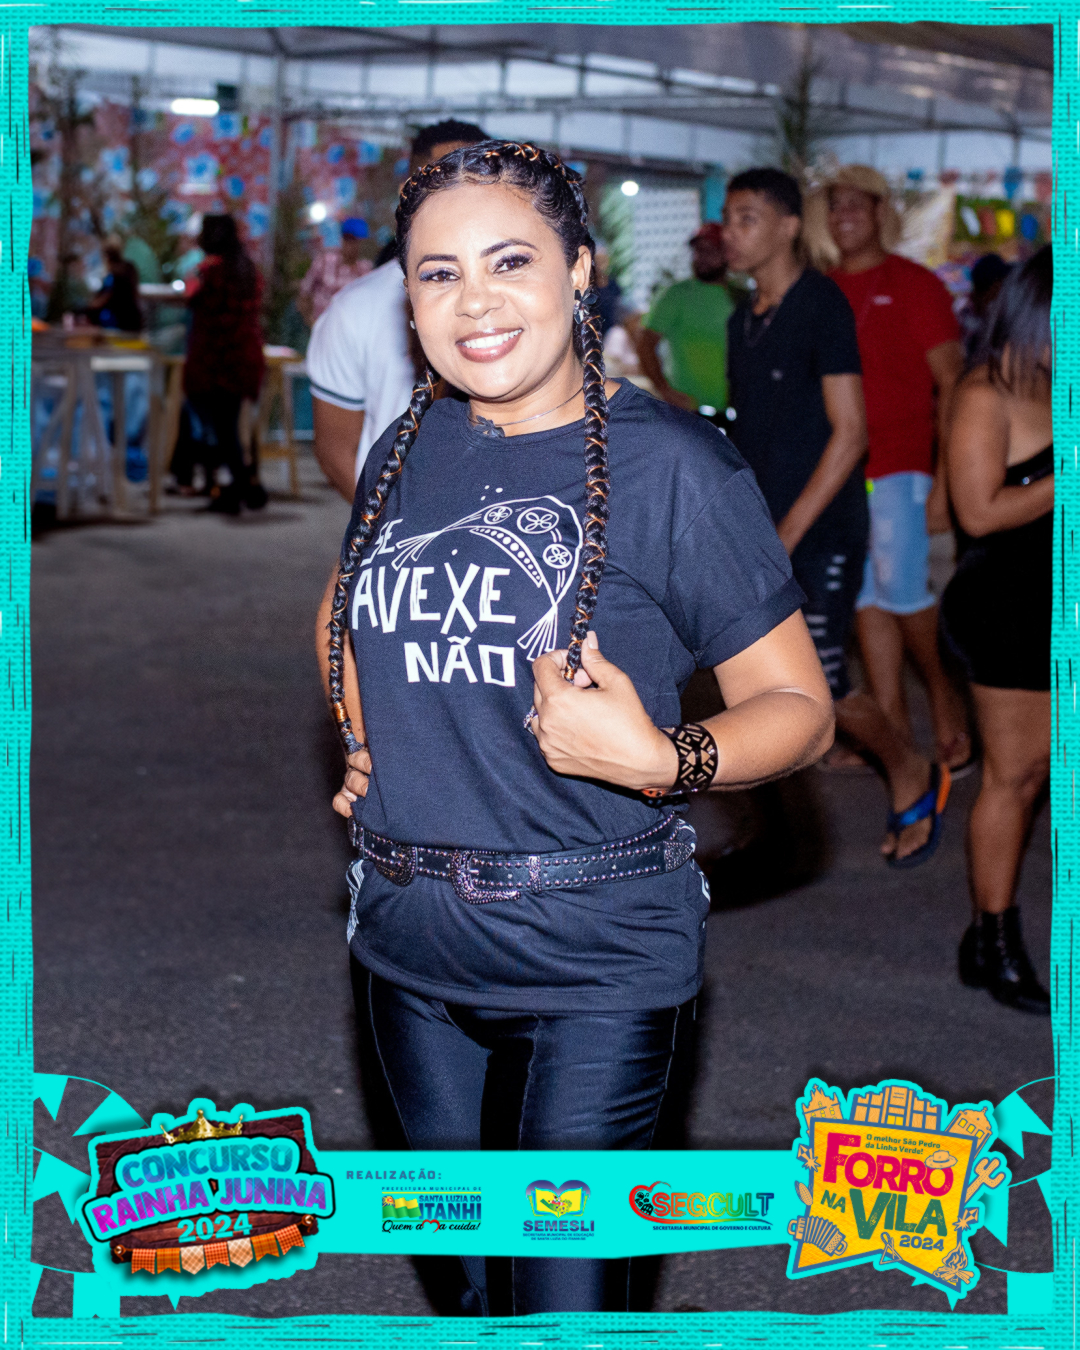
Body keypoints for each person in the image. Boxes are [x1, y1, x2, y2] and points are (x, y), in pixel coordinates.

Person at [315, 141, 833, 1315]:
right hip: (406, 949)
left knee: (562, 1308)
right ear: (408, 299)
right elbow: (345, 602)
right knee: (468, 1295)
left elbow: (802, 710)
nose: (475, 301)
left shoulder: (676, 469)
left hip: (595, 957)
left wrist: (667, 758)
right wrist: (360, 726)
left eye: (510, 261)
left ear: (581, 270)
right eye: (439, 273)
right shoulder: (403, 450)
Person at [723, 167, 947, 867]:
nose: (731, 233)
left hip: (821, 532)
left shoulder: (822, 305)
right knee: (752, 684)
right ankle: (774, 828)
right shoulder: (743, 318)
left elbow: (850, 434)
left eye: (748, 218)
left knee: (822, 681)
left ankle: (910, 767)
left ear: (790, 226)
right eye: (729, 219)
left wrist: (786, 536)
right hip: (767, 531)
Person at [822, 166, 971, 773]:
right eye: (835, 206)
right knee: (866, 601)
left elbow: (953, 383)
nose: (844, 216)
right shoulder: (824, 287)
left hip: (902, 466)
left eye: (856, 205)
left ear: (881, 212)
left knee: (906, 594)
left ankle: (948, 711)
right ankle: (894, 736)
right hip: (844, 472)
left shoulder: (915, 284)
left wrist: (946, 483)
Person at [940, 246, 1052, 1015]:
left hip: (1055, 603)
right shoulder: (988, 390)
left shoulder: (1056, 383)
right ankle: (995, 940)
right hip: (1006, 608)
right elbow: (977, 513)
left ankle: (986, 936)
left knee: (1036, 775)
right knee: (1013, 778)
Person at [307, 120, 488, 499]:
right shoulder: (355, 309)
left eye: (481, 180)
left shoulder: (514, 300)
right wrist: (390, 525)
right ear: (410, 189)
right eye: (445, 178)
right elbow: (336, 449)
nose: (464, 195)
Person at [183, 214, 266, 515]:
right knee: (231, 426)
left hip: (215, 360)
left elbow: (191, 296)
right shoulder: (247, 269)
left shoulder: (209, 272)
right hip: (243, 356)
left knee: (221, 429)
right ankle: (245, 484)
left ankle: (234, 488)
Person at [634, 222, 733, 415]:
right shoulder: (675, 295)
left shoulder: (741, 297)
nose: (702, 257)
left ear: (727, 253)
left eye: (710, 250)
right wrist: (664, 389)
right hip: (686, 412)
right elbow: (645, 344)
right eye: (698, 251)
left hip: (733, 411)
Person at [297, 217, 374, 327]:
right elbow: (304, 293)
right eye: (347, 239)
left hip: (351, 329)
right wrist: (311, 322)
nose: (351, 245)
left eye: (355, 241)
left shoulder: (366, 270)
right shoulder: (324, 262)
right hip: (323, 326)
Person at [85, 239, 143, 332]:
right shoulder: (129, 267)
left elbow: (104, 298)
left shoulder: (113, 276)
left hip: (119, 324)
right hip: (134, 321)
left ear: (106, 257)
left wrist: (88, 308)